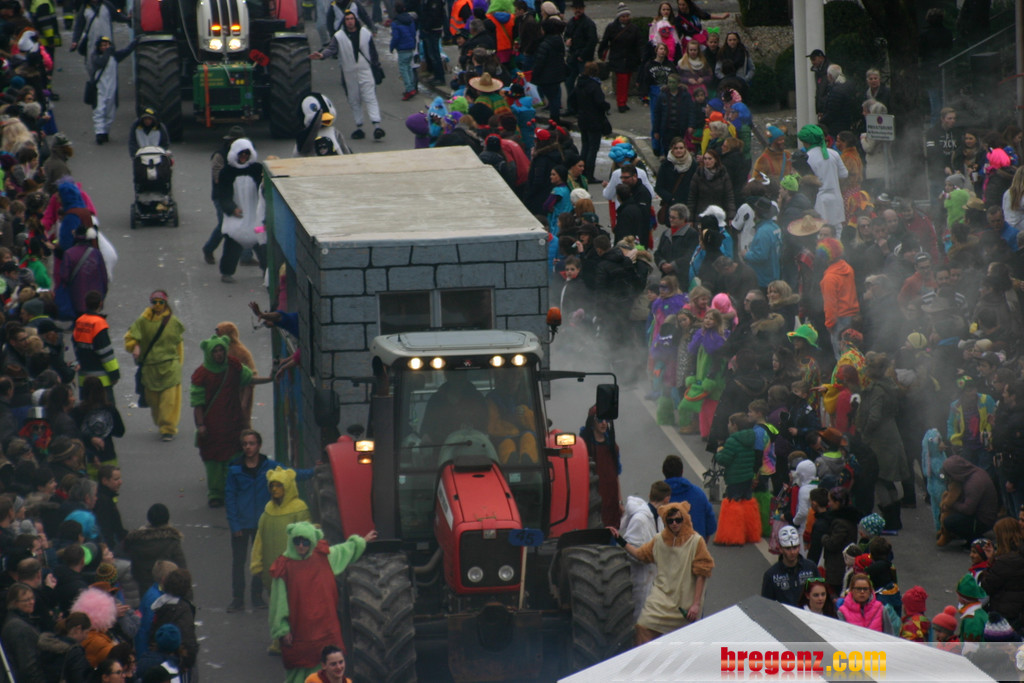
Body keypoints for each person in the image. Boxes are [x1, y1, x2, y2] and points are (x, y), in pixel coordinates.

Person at [269, 521, 377, 683]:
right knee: (300, 669)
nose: (301, 546)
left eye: (305, 542)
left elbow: (344, 550)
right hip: (299, 630)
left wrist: (361, 541)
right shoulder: (284, 566)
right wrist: (282, 630)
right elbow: (278, 602)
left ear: (312, 541)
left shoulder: (323, 557)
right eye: (297, 541)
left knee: (328, 667)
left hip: (325, 628)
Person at [614, 501, 714, 645]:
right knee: (643, 626)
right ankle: (648, 659)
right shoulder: (659, 540)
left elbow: (702, 572)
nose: (674, 524)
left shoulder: (696, 541)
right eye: (670, 520)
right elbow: (640, 554)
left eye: (678, 520)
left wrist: (696, 604)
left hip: (684, 604)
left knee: (682, 642)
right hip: (660, 601)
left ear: (685, 518)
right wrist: (619, 539)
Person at [191, 334, 256, 507]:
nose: (219, 354)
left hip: (233, 424)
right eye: (215, 351)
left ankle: (232, 491)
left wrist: (271, 378)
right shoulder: (201, 375)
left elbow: (248, 378)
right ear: (209, 353)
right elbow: (197, 403)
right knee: (213, 463)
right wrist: (201, 425)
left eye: (221, 350)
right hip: (212, 428)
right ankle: (215, 494)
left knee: (234, 459)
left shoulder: (233, 366)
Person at [311, 11, 385, 142]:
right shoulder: (339, 36)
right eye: (347, 19)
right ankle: (359, 126)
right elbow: (332, 49)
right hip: (349, 73)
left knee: (370, 97)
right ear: (344, 22)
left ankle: (376, 126)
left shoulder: (365, 34)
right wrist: (322, 55)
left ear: (355, 20)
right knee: (354, 100)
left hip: (365, 71)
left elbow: (373, 53)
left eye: (351, 19)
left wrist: (376, 67)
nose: (350, 21)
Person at [124, 290, 186, 441]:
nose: (158, 305)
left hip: (170, 366)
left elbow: (179, 345)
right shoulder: (143, 321)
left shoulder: (173, 322)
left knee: (169, 401)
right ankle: (161, 423)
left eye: (161, 302)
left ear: (166, 303)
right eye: (155, 302)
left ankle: (168, 428)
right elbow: (130, 337)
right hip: (150, 368)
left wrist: (179, 364)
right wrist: (135, 346)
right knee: (154, 401)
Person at [620, 481, 671, 620]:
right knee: (640, 620)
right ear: (667, 499)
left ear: (650, 495)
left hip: (652, 579)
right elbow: (628, 549)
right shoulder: (640, 519)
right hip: (641, 579)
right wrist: (648, 556)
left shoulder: (658, 519)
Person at [217, 138, 266, 282]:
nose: (244, 156)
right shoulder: (226, 172)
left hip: (255, 215)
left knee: (262, 243)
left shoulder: (257, 169)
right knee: (232, 243)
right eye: (241, 153)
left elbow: (264, 189)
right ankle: (226, 272)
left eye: (246, 153)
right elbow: (223, 195)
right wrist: (232, 208)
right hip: (236, 216)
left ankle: (267, 270)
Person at [202, 125, 246, 265]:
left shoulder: (244, 155)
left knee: (245, 223)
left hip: (238, 195)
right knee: (224, 225)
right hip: (221, 196)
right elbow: (218, 178)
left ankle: (246, 256)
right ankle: (208, 249)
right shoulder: (219, 156)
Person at [123, 504, 187, 596]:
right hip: (166, 588)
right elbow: (182, 569)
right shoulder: (172, 541)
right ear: (167, 519)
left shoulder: (135, 540)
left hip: (142, 587)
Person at [938, 455, 999, 545]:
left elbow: (968, 510)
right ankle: (954, 534)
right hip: (977, 514)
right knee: (943, 515)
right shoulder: (971, 473)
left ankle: (975, 539)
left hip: (983, 520)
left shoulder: (974, 483)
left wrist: (951, 504)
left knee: (949, 522)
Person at [87, 36, 137, 145]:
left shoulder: (114, 56)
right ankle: (99, 133)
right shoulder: (95, 56)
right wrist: (108, 52)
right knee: (99, 111)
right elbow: (101, 63)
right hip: (99, 89)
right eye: (103, 45)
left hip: (111, 89)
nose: (105, 47)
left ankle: (105, 131)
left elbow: (126, 51)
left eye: (107, 45)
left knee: (110, 112)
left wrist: (134, 43)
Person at [72, 291, 119, 401]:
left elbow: (76, 347)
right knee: (105, 409)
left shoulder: (79, 322)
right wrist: (114, 374)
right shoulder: (99, 324)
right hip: (101, 382)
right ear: (100, 303)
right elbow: (106, 354)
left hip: (84, 380)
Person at [598, 3, 644, 113]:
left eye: (627, 16)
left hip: (630, 58)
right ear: (619, 17)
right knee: (622, 81)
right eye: (623, 16)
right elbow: (605, 41)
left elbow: (639, 44)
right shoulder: (611, 28)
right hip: (618, 58)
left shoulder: (634, 28)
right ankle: (621, 103)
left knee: (627, 81)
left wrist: (641, 56)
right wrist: (601, 53)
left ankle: (623, 101)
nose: (625, 18)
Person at [798, 125, 847, 227]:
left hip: (818, 202)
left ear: (806, 142)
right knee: (837, 230)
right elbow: (844, 174)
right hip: (836, 199)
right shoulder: (834, 154)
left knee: (821, 230)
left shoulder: (807, 158)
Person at [569, 62, 610, 184]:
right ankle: (589, 174)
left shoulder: (580, 83)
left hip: (583, 119)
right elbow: (600, 102)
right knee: (593, 148)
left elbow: (572, 99)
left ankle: (581, 171)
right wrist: (606, 106)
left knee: (585, 146)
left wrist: (578, 111)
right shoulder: (594, 86)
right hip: (594, 120)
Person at [580, 406, 621, 528]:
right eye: (599, 419)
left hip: (611, 497)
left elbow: (616, 475)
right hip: (594, 499)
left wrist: (619, 501)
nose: (604, 423)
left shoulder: (612, 445)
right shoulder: (584, 446)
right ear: (592, 421)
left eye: (606, 420)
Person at [761, 525, 818, 606]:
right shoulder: (771, 575)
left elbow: (820, 591)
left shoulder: (811, 567)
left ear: (799, 547)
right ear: (780, 548)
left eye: (795, 547)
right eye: (788, 548)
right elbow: (766, 604)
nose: (792, 552)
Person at [1, 582, 44, 682]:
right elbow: (28, 665)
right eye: (26, 600)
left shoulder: (22, 621)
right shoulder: (18, 627)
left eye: (32, 598)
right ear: (14, 603)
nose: (32, 602)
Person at [531, 17, 566, 123]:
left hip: (546, 76)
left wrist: (534, 76)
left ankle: (554, 121)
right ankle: (555, 120)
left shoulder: (544, 44)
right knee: (555, 98)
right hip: (557, 74)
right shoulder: (558, 41)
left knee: (552, 100)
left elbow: (539, 62)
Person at [563, 0, 598, 103]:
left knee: (585, 83)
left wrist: (582, 55)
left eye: (580, 8)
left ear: (583, 9)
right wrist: (567, 40)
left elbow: (592, 41)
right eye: (576, 8)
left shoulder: (588, 23)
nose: (578, 10)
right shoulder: (571, 22)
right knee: (568, 81)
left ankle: (584, 105)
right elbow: (566, 35)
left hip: (583, 58)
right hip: (572, 56)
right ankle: (572, 105)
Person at [388, 1, 418, 100]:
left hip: (402, 49)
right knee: (409, 68)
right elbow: (413, 33)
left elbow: (395, 37)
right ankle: (412, 87)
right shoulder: (410, 20)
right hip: (410, 47)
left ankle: (409, 89)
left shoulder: (395, 23)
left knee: (403, 69)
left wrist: (392, 47)